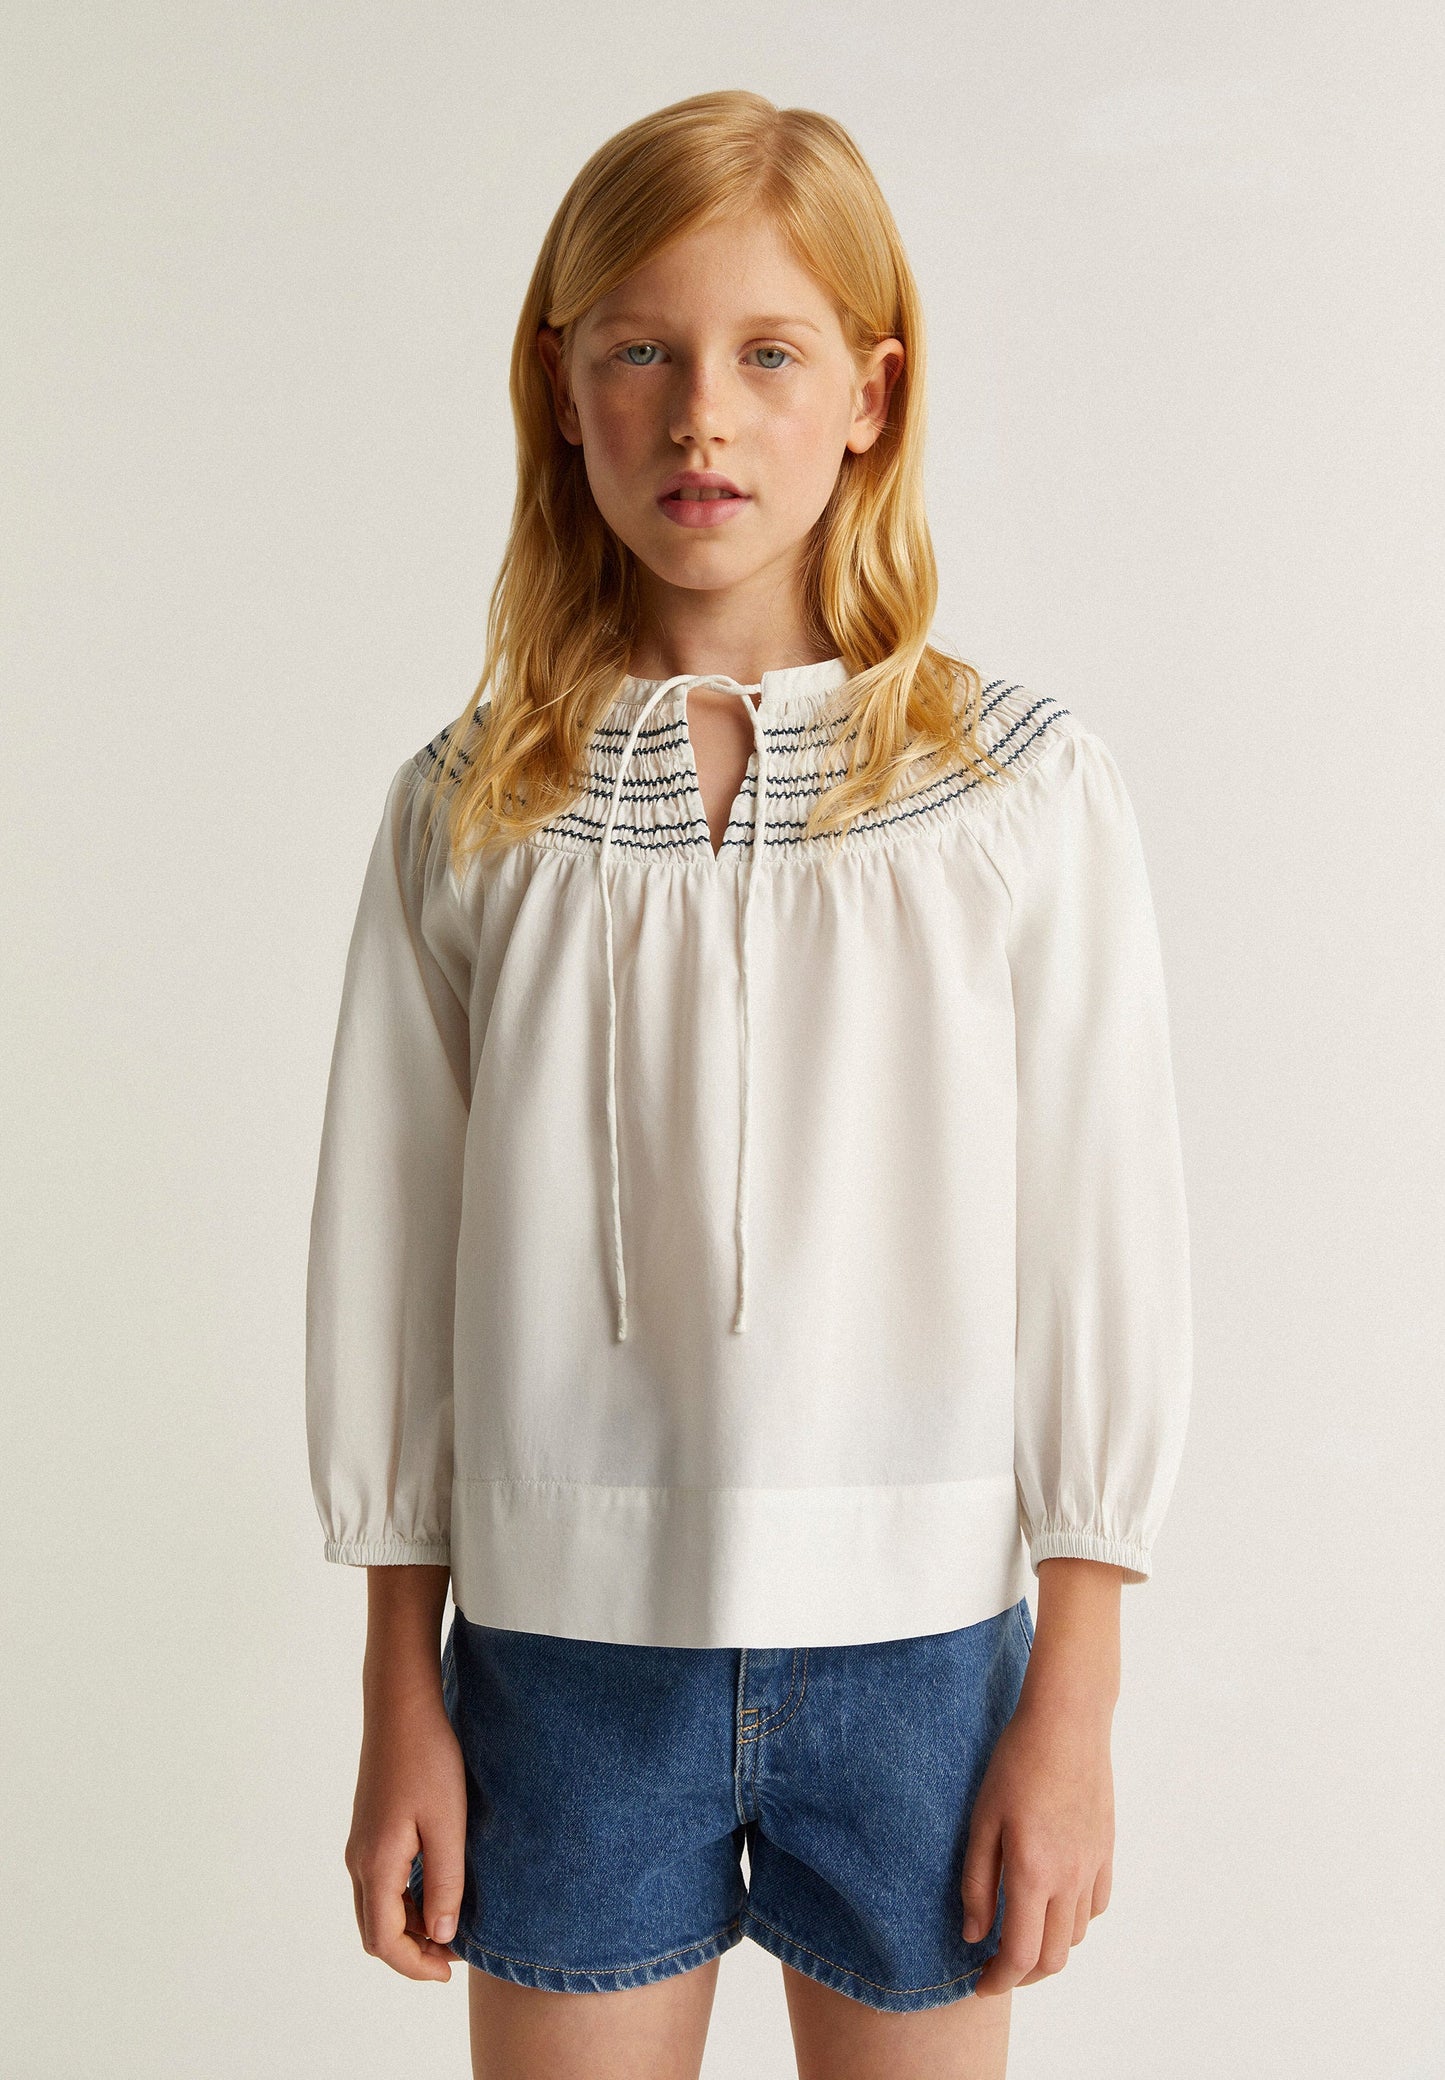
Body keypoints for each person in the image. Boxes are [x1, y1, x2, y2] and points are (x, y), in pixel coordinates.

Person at [304, 89, 1193, 2080]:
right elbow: (390, 1254)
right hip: (555, 1659)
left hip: (925, 1657)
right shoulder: (472, 810)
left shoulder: (1012, 792)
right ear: (563, 391)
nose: (701, 414)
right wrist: (396, 1685)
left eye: (769, 354)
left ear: (871, 393)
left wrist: (1075, 1694)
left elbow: (1099, 1235)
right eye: (642, 351)